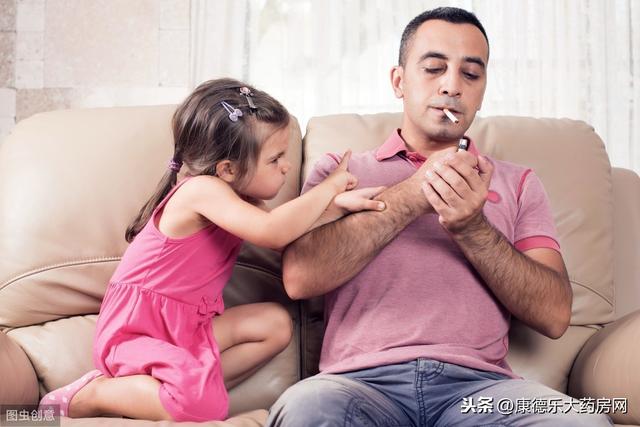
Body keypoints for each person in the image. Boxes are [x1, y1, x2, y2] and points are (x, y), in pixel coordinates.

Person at [266, 7, 612, 426]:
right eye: (433, 68)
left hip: (482, 391)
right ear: (399, 81)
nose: (452, 86)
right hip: (357, 385)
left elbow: (555, 315)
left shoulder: (518, 182)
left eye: (471, 75)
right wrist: (414, 193)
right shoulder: (339, 172)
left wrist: (473, 228)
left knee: (580, 421)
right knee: (306, 409)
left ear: (483, 89)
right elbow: (301, 278)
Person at [38, 78, 386, 422]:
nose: (287, 166)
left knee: (276, 325)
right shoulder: (201, 190)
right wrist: (330, 185)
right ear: (228, 169)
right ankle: (93, 394)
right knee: (202, 409)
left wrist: (338, 206)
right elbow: (274, 232)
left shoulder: (233, 199)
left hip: (186, 329)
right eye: (276, 158)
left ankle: (184, 385)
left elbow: (289, 226)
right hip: (140, 330)